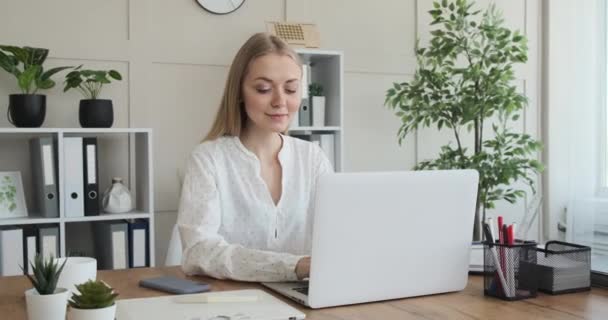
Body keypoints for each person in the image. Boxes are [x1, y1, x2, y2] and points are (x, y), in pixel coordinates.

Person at [177, 32, 333, 282]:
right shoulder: (209, 158)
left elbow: (334, 237)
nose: (280, 101)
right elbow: (198, 251)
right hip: (232, 302)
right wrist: (293, 266)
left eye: (291, 89)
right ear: (239, 91)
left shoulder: (313, 158)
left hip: (306, 297)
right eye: (263, 89)